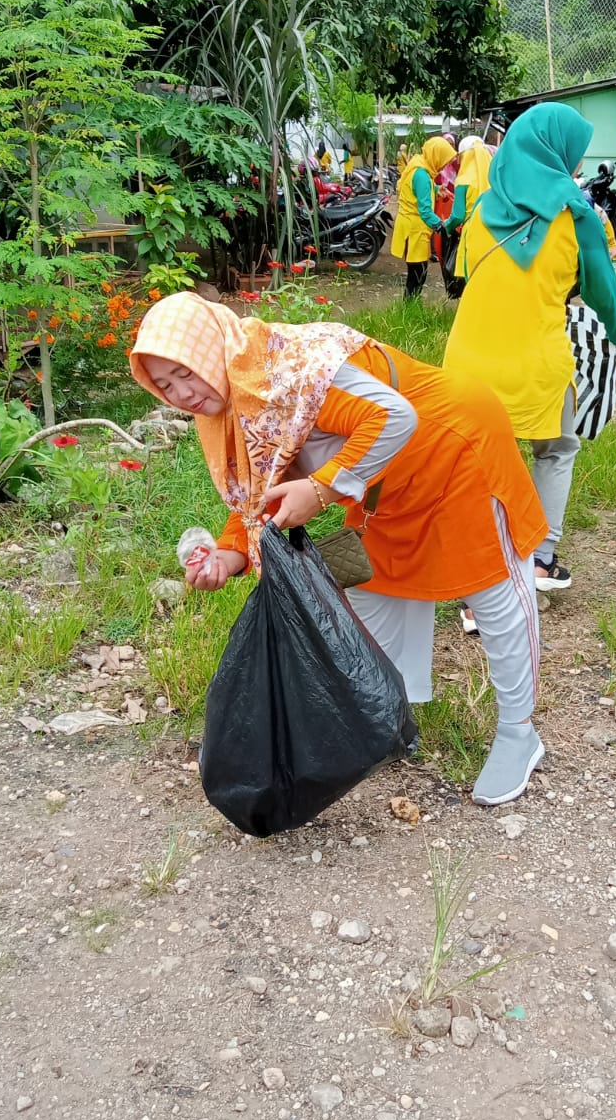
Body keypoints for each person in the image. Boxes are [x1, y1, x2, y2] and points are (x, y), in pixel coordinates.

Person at [129, 293, 551, 807]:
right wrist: (228, 554)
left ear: (212, 351)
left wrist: (323, 488)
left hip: (455, 444)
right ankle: (390, 717)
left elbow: (394, 418)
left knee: (493, 592)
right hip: (382, 481)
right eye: (165, 385)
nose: (182, 394)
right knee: (375, 592)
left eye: (185, 373)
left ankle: (518, 732)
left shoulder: (293, 370)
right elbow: (261, 486)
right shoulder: (237, 397)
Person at [444, 103, 616, 593]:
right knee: (556, 448)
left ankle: (478, 580)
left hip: (465, 363)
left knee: (483, 463)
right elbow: (601, 292)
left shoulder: (485, 209)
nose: (575, 166)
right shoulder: (577, 217)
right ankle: (540, 560)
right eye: (574, 154)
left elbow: (467, 273)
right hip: (534, 363)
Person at [392, 136, 455, 299]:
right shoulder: (422, 175)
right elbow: (425, 211)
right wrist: (441, 226)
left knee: (416, 271)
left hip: (410, 226)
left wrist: (436, 189)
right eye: (443, 160)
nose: (443, 165)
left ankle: (409, 307)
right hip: (415, 230)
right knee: (417, 274)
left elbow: (418, 187)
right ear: (436, 155)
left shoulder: (419, 165)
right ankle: (409, 309)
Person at [450, 135, 493, 231]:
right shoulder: (495, 179)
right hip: (495, 233)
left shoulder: (463, 181)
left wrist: (447, 226)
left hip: (472, 232)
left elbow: (458, 216)